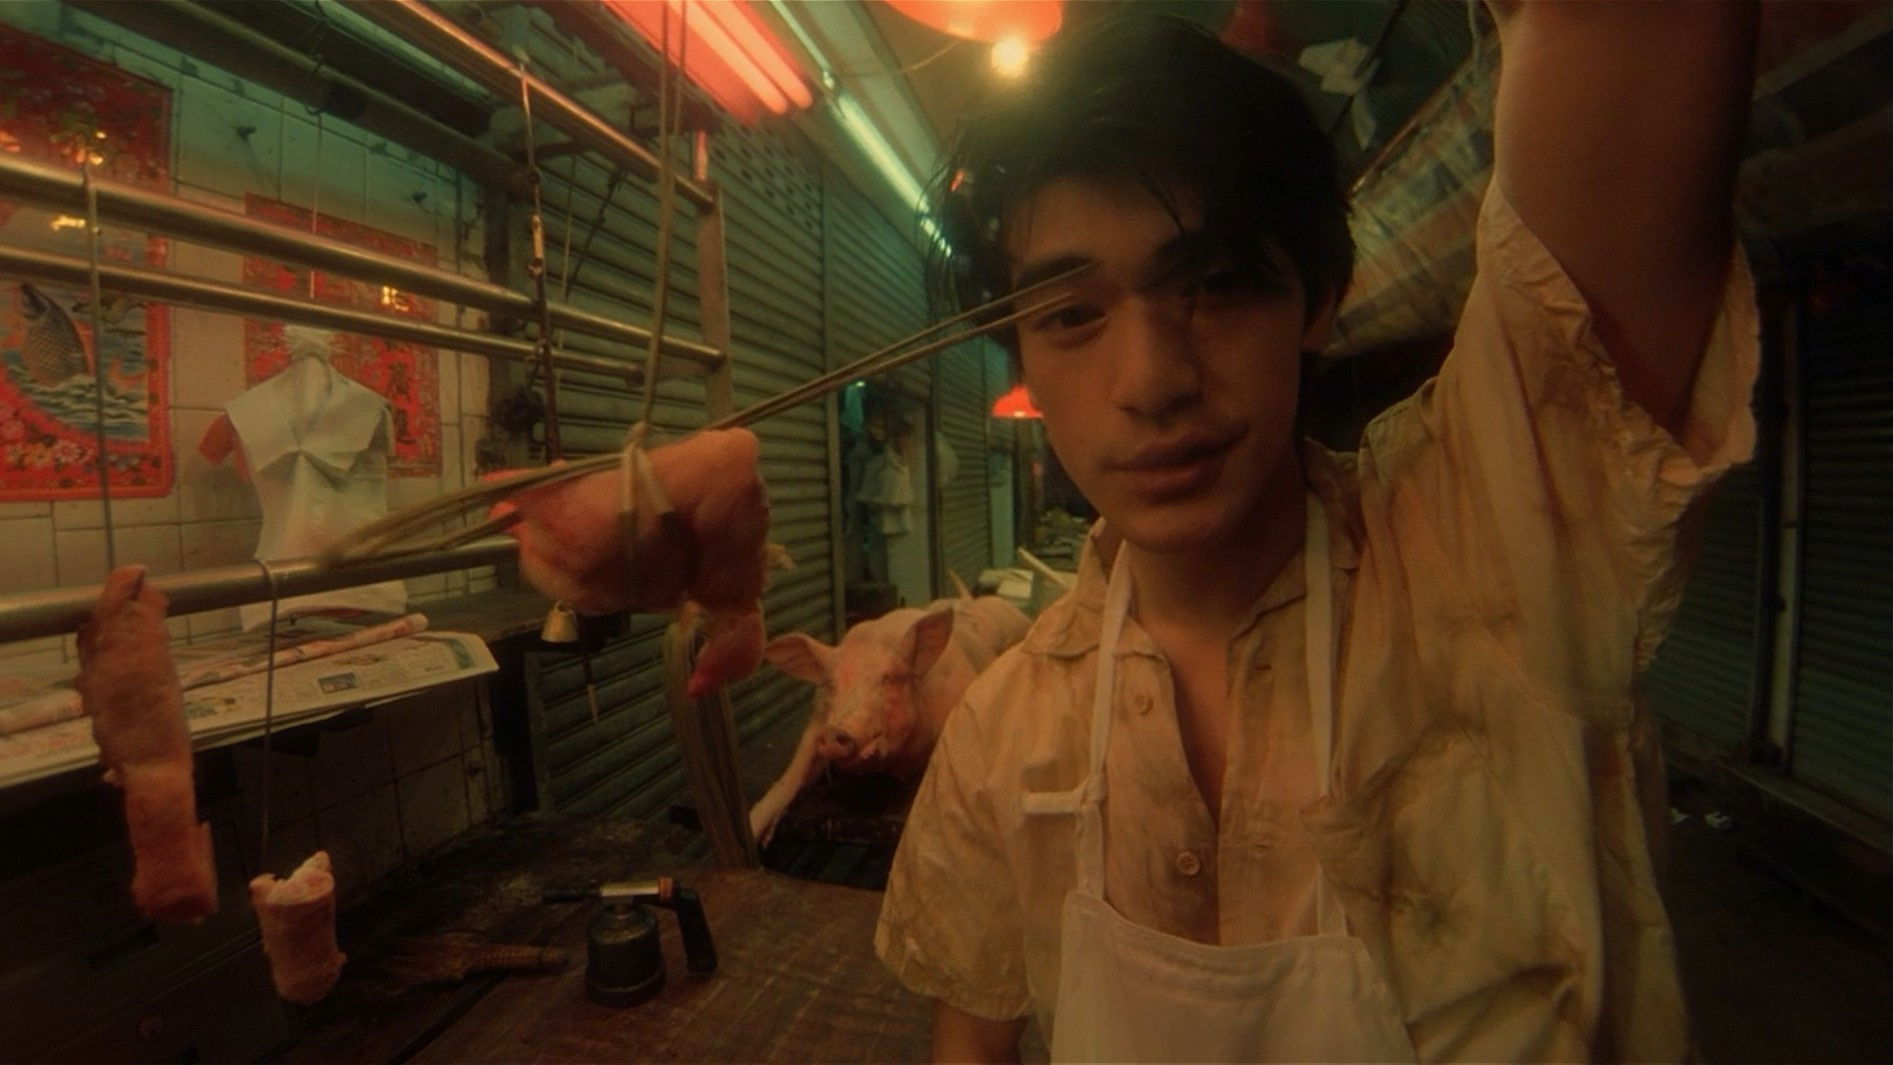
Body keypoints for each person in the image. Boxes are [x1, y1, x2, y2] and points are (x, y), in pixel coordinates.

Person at [500, 2, 1758, 1059]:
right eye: (1070, 314)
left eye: (1213, 284)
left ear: (1318, 299)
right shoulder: (1004, 735)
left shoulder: (1493, 550)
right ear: (1021, 355)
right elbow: (973, 1047)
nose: (1152, 380)